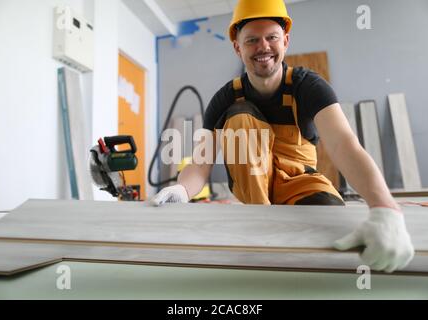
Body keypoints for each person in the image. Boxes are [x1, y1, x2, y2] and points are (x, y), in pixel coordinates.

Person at [150, 0, 414, 273]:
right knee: (240, 115)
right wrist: (181, 190)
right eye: (252, 40)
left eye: (271, 37)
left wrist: (384, 209)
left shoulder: (309, 86)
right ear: (237, 47)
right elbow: (200, 163)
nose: (263, 47)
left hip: (301, 182)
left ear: (285, 41)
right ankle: (258, 226)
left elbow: (343, 144)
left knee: (333, 229)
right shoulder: (224, 99)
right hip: (252, 188)